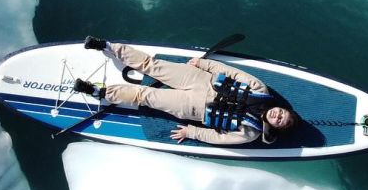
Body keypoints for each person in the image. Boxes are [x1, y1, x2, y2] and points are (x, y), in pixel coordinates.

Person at [73, 37, 298, 145]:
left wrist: (191, 132)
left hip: (191, 107)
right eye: (282, 113)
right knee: (152, 66)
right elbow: (234, 73)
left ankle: (97, 92)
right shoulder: (260, 89)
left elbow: (217, 138)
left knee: (145, 96)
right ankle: (107, 46)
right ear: (280, 108)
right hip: (202, 80)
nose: (278, 116)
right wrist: (205, 65)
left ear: (275, 127)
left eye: (280, 121)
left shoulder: (251, 133)